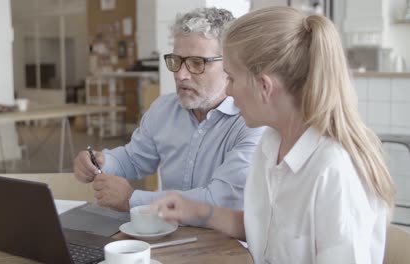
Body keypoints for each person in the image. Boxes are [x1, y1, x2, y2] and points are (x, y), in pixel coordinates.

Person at [154, 6, 395, 263]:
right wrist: (193, 210)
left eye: (232, 79)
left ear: (265, 87)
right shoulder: (271, 143)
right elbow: (263, 228)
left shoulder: (335, 171)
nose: (230, 92)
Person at [73, 7, 264, 216]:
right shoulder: (164, 109)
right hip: (168, 234)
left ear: (230, 65)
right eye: (176, 61)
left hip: (226, 244)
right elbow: (134, 159)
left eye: (196, 63)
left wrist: (131, 199)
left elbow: (222, 200)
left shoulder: (252, 121)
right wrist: (100, 162)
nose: (180, 75)